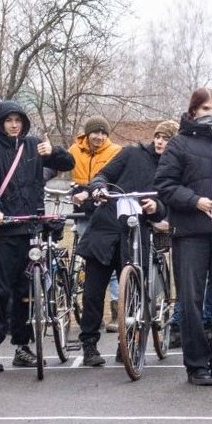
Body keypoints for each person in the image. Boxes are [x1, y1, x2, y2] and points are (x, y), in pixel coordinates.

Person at [0, 101, 74, 372]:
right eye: (8, 120)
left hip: (32, 226)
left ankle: (22, 346)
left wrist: (54, 151)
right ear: (0, 123)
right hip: (5, 228)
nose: (13, 124)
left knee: (27, 293)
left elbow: (69, 163)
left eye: (18, 120)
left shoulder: (34, 145)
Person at [155, 88, 212, 386]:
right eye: (205, 108)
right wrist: (194, 201)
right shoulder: (178, 144)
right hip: (190, 233)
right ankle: (197, 365)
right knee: (191, 300)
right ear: (193, 112)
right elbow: (164, 185)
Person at [77, 121, 175, 366]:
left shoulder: (173, 167)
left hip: (136, 236)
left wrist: (157, 207)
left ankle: (127, 343)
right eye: (159, 136)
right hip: (104, 231)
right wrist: (98, 188)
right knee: (92, 293)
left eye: (168, 138)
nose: (161, 141)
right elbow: (103, 175)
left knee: (133, 293)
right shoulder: (131, 154)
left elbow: (168, 203)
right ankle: (89, 345)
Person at [68, 116, 123, 333]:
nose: (99, 137)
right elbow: (61, 167)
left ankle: (116, 311)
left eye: (103, 133)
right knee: (89, 261)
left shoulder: (116, 151)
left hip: (105, 211)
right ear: (87, 134)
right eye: (95, 133)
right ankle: (91, 312)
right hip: (83, 212)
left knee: (108, 261)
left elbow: (114, 180)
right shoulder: (74, 150)